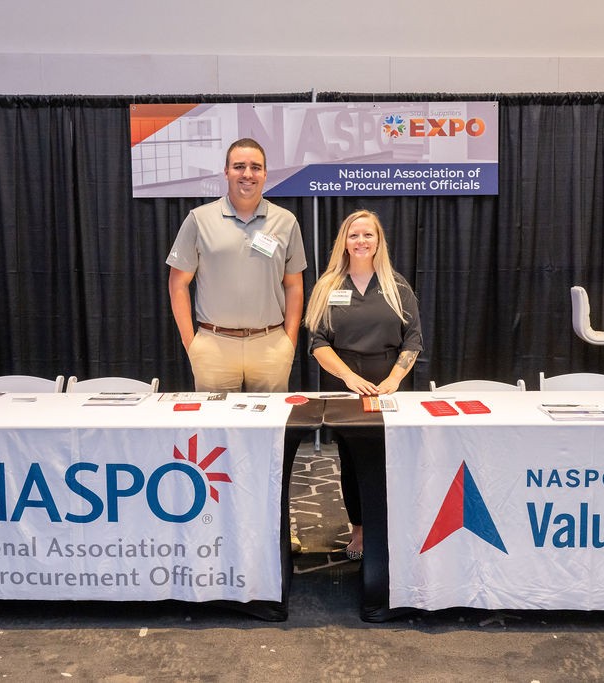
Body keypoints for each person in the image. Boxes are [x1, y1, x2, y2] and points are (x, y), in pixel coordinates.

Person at [304, 209, 423, 560]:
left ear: (378, 241)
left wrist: (394, 379)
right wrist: (351, 378)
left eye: (368, 235)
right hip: (346, 388)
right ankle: (358, 529)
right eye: (354, 235)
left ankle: (392, 526)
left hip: (389, 388)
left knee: (390, 459)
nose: (361, 241)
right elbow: (318, 343)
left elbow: (413, 340)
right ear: (344, 241)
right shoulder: (328, 287)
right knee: (353, 460)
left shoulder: (396, 285)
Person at [166, 138, 306, 393]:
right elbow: (178, 282)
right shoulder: (199, 219)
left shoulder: (286, 221)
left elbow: (294, 285)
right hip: (214, 346)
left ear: (265, 173)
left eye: (255, 167)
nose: (247, 174)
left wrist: (289, 340)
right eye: (239, 166)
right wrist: (192, 343)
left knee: (269, 426)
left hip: (270, 346)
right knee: (215, 430)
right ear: (226, 172)